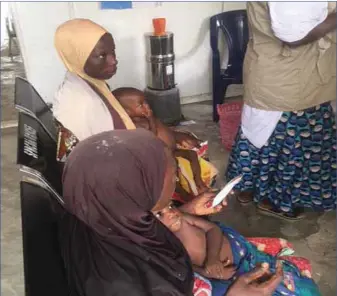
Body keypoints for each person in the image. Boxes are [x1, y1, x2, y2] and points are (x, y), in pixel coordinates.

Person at [59, 129, 283, 296]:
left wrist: (186, 210)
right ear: (135, 191)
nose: (176, 181)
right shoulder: (120, 285)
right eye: (172, 175)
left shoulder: (98, 214)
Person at [226, 2, 336, 220]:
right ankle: (274, 201)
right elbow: (293, 36)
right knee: (289, 141)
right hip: (290, 78)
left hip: (280, 73)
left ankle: (248, 191)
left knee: (259, 135)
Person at [53, 18, 200, 155]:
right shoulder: (81, 105)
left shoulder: (90, 83)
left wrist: (172, 135)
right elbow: (106, 159)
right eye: (102, 56)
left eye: (113, 51)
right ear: (77, 57)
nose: (113, 61)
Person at [152, 204, 321, 295]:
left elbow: (213, 229)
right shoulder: (161, 244)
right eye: (160, 214)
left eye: (170, 206)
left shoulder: (182, 217)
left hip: (238, 251)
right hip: (227, 273)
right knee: (264, 285)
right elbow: (180, 267)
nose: (171, 213)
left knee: (279, 275)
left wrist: (212, 258)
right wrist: (208, 271)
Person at [112, 87, 218, 200]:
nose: (146, 106)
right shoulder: (136, 124)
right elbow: (150, 137)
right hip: (162, 157)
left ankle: (198, 181)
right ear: (126, 111)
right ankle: (184, 195)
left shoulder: (144, 117)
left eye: (146, 101)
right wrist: (151, 118)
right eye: (141, 105)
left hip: (171, 149)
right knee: (172, 173)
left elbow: (164, 130)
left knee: (192, 154)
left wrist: (175, 136)